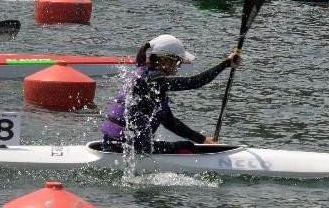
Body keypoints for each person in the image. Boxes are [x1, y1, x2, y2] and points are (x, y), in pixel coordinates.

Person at [100, 34, 242, 154]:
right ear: (165, 60)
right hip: (125, 148)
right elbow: (195, 82)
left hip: (115, 143)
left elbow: (170, 122)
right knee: (186, 148)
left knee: (183, 144)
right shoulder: (153, 80)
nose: (179, 66)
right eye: (179, 62)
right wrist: (225, 64)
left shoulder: (145, 75)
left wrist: (203, 140)